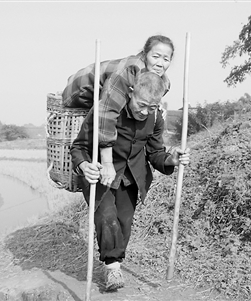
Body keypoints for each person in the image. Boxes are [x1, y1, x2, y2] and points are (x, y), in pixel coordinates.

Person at [70, 72, 191, 291]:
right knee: (107, 218)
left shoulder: (155, 118)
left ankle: (114, 260)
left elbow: (156, 153)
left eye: (152, 107)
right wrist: (83, 166)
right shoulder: (106, 112)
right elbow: (78, 147)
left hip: (131, 177)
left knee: (124, 223)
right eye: (142, 104)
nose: (145, 112)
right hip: (99, 174)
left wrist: (171, 159)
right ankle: (112, 267)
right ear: (132, 92)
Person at [62, 35, 174, 149]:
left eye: (166, 59)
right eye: (155, 57)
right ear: (145, 55)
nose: (160, 64)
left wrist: (155, 105)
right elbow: (107, 110)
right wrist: (107, 163)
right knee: (109, 116)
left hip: (105, 91)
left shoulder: (164, 82)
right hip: (78, 92)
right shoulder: (130, 71)